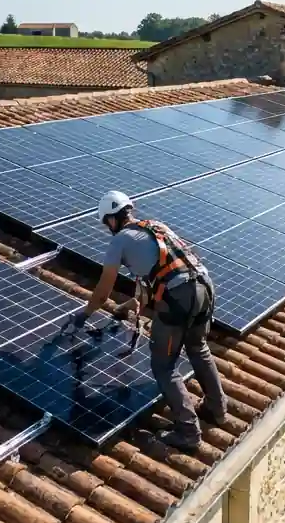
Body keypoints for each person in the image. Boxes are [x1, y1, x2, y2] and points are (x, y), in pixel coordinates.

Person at [67, 190, 227, 450]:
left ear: (110, 220)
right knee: (198, 347)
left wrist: (85, 314)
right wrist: (128, 306)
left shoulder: (120, 240)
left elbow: (103, 289)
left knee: (164, 366)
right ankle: (217, 409)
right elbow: (156, 279)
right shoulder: (156, 227)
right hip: (204, 287)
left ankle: (188, 432)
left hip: (179, 298)